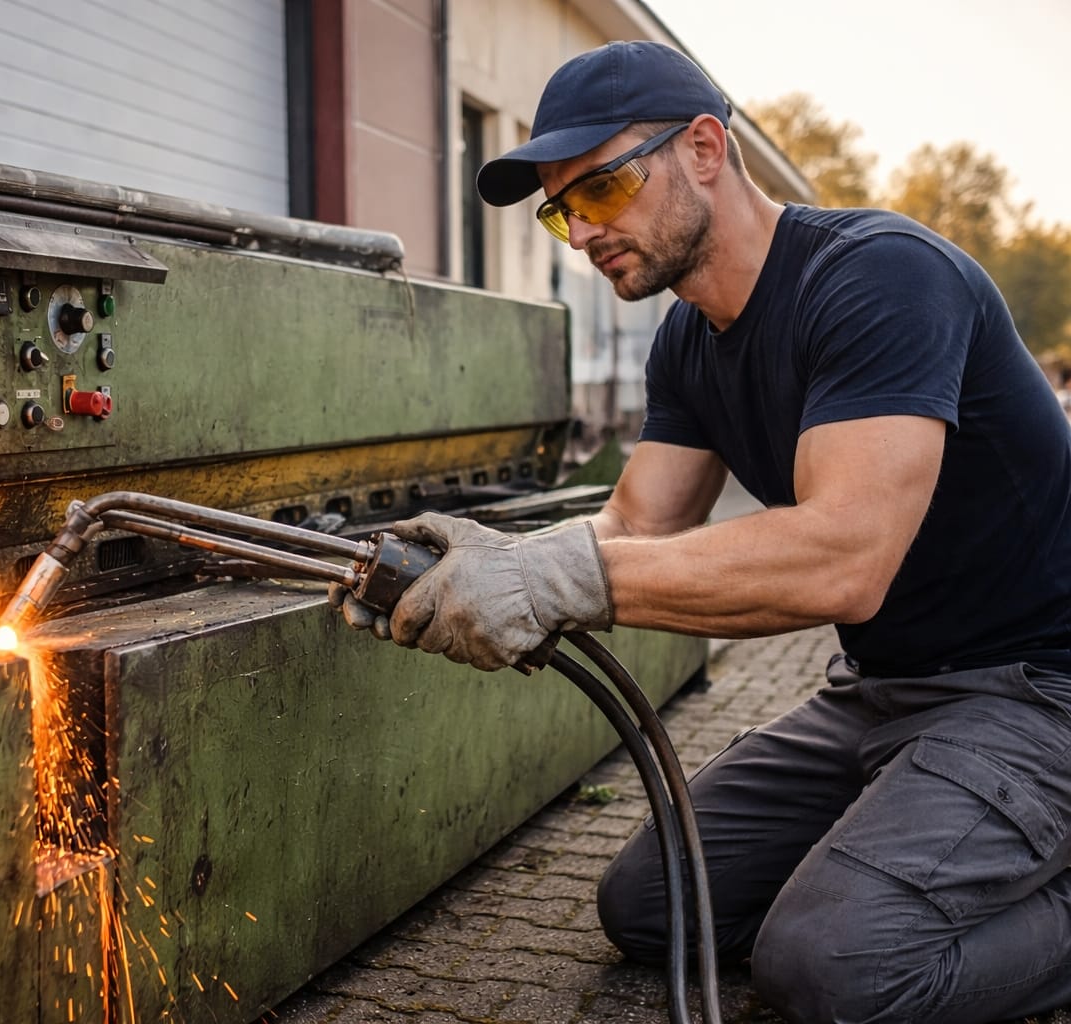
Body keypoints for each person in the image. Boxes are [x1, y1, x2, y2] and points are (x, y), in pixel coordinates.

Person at [331, 39, 1071, 1024]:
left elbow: (846, 554)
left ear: (708, 149)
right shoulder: (690, 340)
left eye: (600, 190)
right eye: (561, 212)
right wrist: (493, 557)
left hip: (1037, 693)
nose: (581, 234)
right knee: (647, 905)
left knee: (829, 968)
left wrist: (561, 578)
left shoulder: (881, 278)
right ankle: (919, 850)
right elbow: (635, 523)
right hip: (886, 692)